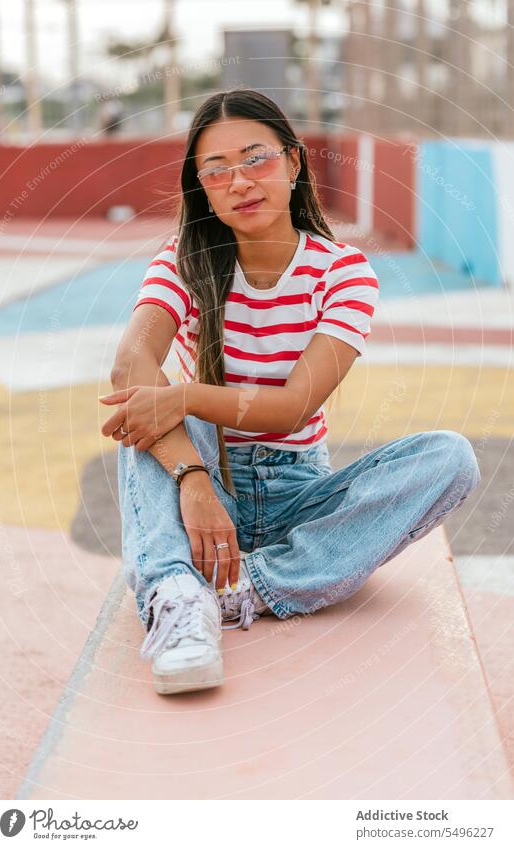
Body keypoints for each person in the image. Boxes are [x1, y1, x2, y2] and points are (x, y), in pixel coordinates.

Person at [99, 88, 481, 696]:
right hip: (205, 470)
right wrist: (192, 480)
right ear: (200, 187)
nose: (240, 181)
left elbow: (292, 407)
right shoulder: (182, 260)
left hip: (296, 493)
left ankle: (245, 586)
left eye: (256, 159)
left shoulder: (342, 272)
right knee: (141, 401)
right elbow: (130, 365)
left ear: (294, 163)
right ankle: (176, 598)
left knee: (451, 458)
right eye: (216, 170)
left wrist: (187, 396)